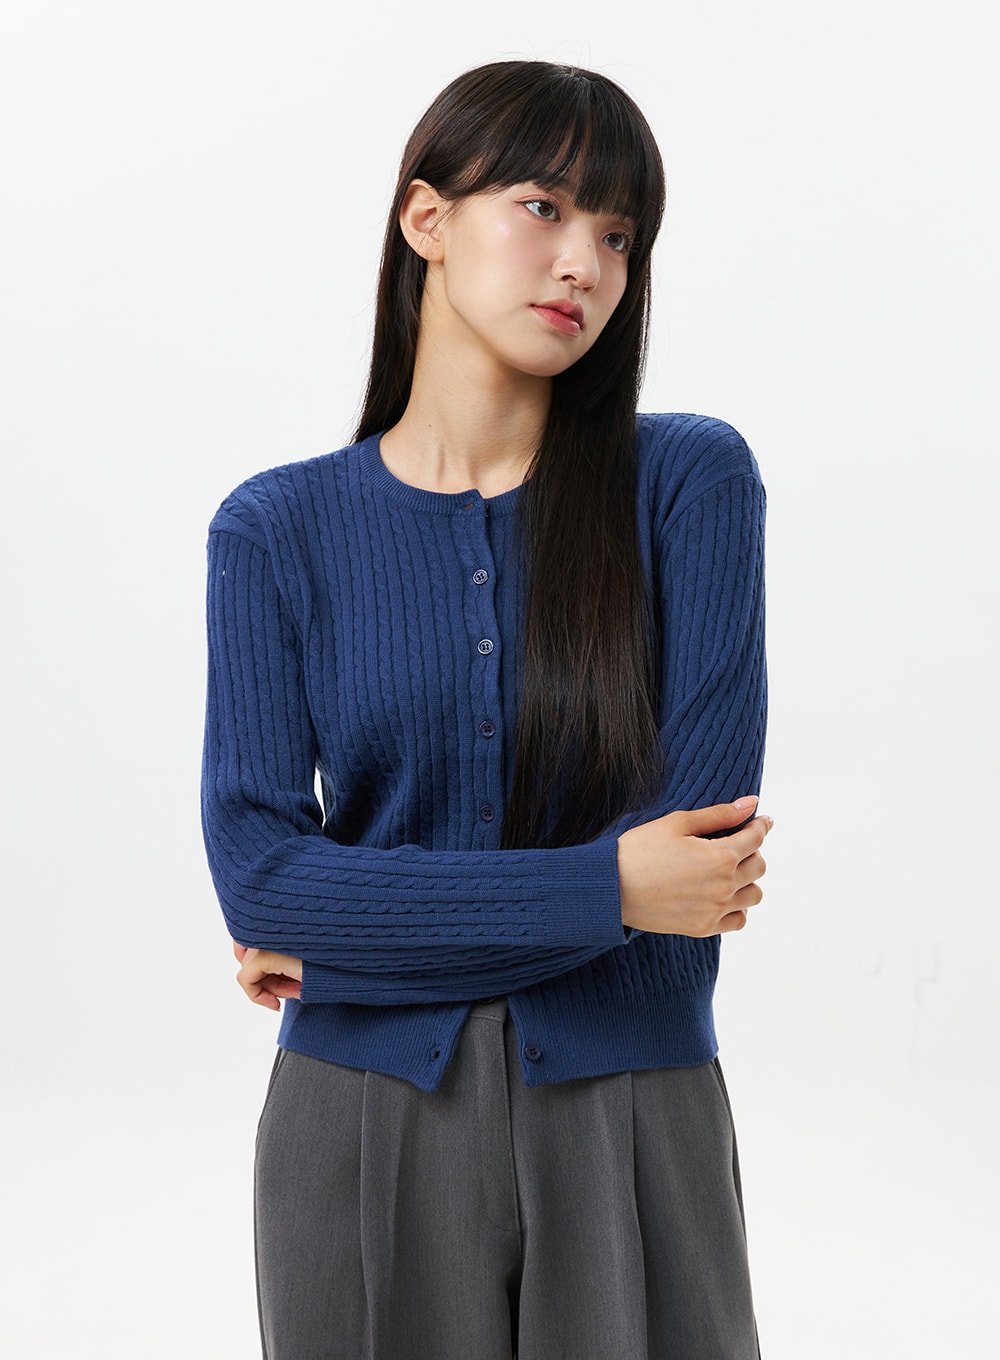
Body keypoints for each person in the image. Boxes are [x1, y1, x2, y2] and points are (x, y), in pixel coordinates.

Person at [202, 59, 770, 1360]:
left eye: (619, 235)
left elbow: (694, 880)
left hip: (635, 1107)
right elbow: (263, 882)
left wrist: (353, 944)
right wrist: (607, 888)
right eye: (544, 208)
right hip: (362, 1119)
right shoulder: (277, 529)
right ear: (427, 219)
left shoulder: (689, 484)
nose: (584, 263)